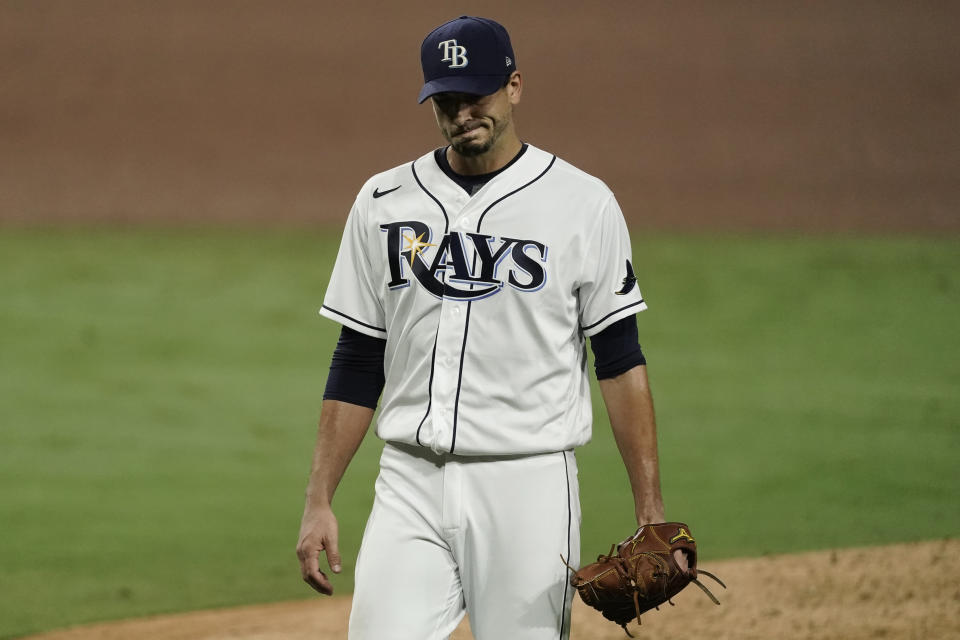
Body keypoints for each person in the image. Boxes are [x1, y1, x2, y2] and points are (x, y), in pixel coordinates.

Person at [296, 15, 683, 640]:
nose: (461, 113)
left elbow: (618, 359)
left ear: (515, 87)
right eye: (446, 100)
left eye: (476, 95)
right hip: (408, 482)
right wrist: (319, 500)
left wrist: (650, 508)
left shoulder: (583, 204)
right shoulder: (382, 201)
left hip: (526, 484)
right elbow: (358, 358)